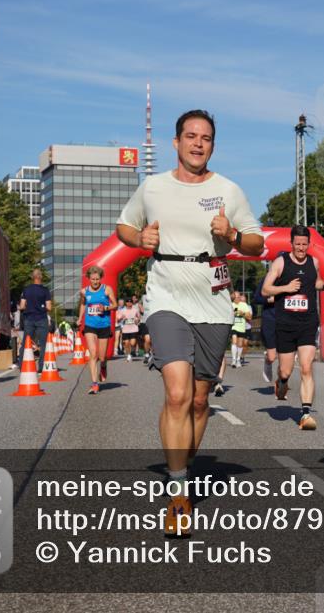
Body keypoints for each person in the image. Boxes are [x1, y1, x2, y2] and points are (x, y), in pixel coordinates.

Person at [116, 109, 263, 536]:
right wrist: (139, 238)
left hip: (213, 298)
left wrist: (233, 236)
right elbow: (126, 226)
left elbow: (255, 243)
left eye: (206, 138)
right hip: (165, 293)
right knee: (177, 392)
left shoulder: (228, 190)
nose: (198, 143)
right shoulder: (154, 187)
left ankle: (183, 461)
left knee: (199, 401)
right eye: (190, 136)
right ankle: (179, 495)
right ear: (176, 143)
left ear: (212, 145)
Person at [262, 225, 324, 430]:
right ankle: (281, 382)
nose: (301, 248)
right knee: (285, 370)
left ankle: (305, 414)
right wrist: (286, 288)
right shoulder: (280, 262)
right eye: (298, 244)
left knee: (306, 367)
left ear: (309, 244)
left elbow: (315, 282)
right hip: (285, 324)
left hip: (308, 322)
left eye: (304, 244)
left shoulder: (315, 261)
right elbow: (266, 289)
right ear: (291, 244)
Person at [78, 266, 117, 395]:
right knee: (93, 354)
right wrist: (80, 318)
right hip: (90, 325)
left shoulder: (107, 290)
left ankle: (104, 366)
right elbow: (83, 304)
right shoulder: (84, 291)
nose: (95, 282)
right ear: (89, 278)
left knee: (102, 356)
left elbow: (115, 305)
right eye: (93, 279)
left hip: (104, 325)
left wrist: (105, 308)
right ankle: (94, 384)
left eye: (97, 279)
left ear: (101, 278)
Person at [18, 268, 53, 368]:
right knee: (43, 344)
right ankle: (41, 366)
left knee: (26, 342)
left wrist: (28, 307)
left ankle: (22, 365)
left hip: (29, 319)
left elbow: (22, 306)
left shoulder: (26, 290)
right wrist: (41, 307)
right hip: (42, 318)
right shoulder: (45, 290)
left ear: (32, 277)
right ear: (40, 277)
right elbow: (49, 307)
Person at [253, 284, 278, 383]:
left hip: (287, 320)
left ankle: (281, 384)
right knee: (272, 357)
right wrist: (268, 300)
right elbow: (256, 299)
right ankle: (268, 361)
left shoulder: (291, 277)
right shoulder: (267, 279)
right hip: (270, 319)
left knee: (285, 357)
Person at [230, 291, 252, 367]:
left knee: (240, 344)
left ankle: (238, 360)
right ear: (233, 297)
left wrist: (242, 313)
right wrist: (234, 312)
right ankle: (233, 360)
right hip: (233, 326)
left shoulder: (244, 305)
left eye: (239, 297)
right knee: (234, 341)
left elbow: (249, 317)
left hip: (242, 327)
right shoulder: (231, 305)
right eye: (236, 297)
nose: (237, 298)